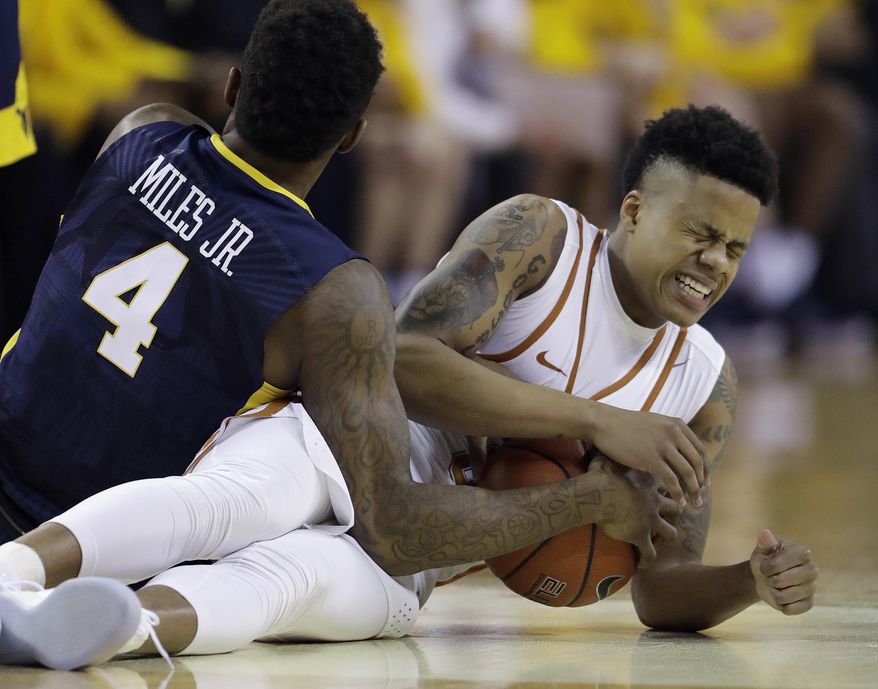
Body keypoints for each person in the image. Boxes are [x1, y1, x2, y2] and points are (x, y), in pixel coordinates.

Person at [0, 105, 814, 670]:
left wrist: (748, 583)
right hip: (350, 437)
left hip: (419, 555)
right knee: (237, 502)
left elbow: (662, 585)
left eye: (736, 249)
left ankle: (107, 632)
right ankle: (12, 572)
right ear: (634, 210)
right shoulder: (542, 238)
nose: (716, 263)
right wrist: (599, 423)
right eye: (701, 233)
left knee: (286, 588)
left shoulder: (703, 383)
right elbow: (407, 358)